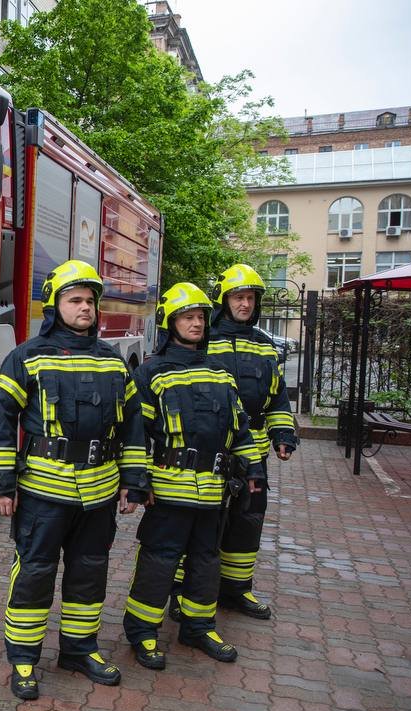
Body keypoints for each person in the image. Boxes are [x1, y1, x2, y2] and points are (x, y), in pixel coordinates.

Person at [0, 260, 147, 701]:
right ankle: (23, 658)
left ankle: (79, 649)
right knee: (35, 574)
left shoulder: (112, 362)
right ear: (54, 306)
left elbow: (133, 425)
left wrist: (134, 480)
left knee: (89, 574)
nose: (85, 308)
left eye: (90, 301)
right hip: (43, 492)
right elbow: (1, 419)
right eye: (75, 300)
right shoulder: (27, 357)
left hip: (98, 494)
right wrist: (1, 483)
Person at [121, 282, 264, 669]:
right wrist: (138, 481)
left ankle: (199, 626)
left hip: (214, 489)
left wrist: (253, 467)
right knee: (159, 560)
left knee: (205, 559)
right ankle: (143, 632)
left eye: (201, 317)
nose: (197, 323)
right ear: (171, 323)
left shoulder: (219, 372)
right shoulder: (151, 373)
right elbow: (135, 434)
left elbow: (240, 429)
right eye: (188, 317)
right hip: (168, 490)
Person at [203, 263, 296, 619]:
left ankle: (236, 591)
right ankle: (184, 593)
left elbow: (277, 397)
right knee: (202, 522)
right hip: (212, 451)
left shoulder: (265, 346)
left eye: (250, 298)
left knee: (247, 523)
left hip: (253, 455)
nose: (245, 304)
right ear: (223, 300)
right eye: (238, 297)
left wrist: (283, 434)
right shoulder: (203, 340)